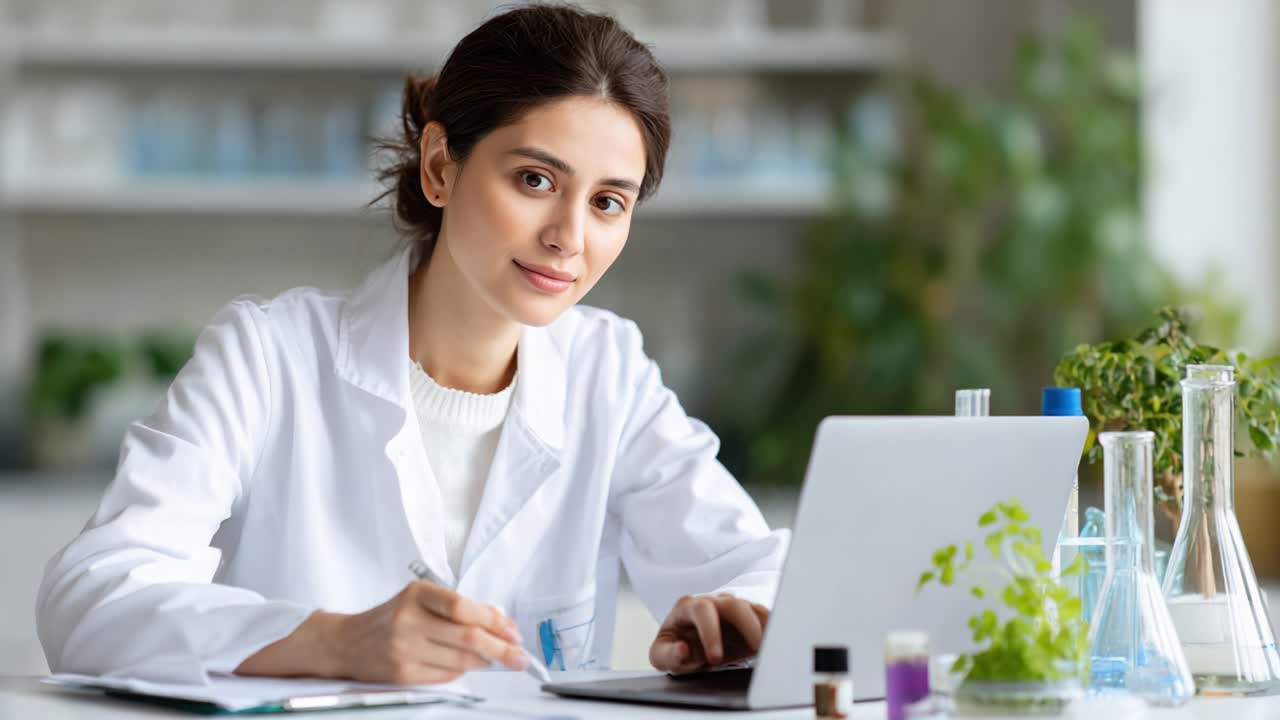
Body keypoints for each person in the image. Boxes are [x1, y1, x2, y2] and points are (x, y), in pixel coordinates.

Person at [36, 3, 787, 686]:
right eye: (533, 179)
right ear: (439, 166)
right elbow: (92, 598)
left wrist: (735, 621)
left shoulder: (606, 371)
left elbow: (761, 570)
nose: (569, 237)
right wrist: (331, 643)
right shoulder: (269, 356)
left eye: (607, 202)